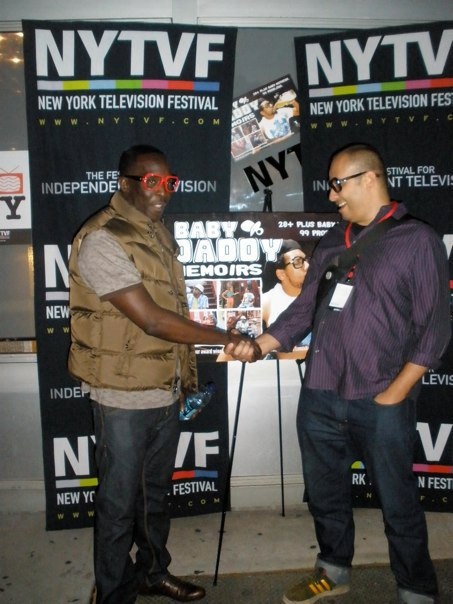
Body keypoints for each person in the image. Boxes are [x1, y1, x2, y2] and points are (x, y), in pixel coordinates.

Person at [229, 143, 451, 604]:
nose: (332, 196)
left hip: (380, 397)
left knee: (399, 503)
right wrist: (260, 346)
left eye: (338, 184)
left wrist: (396, 394)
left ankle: (416, 589)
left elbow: (435, 327)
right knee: (327, 495)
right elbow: (301, 312)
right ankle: (333, 571)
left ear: (369, 178)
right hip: (320, 395)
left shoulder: (417, 240)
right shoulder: (333, 242)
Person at [68, 144, 259, 604]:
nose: (164, 190)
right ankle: (114, 594)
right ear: (125, 184)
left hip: (161, 387)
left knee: (154, 495)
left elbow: (172, 313)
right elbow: (152, 319)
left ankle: (153, 572)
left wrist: (182, 378)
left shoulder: (155, 233)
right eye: (152, 181)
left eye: (170, 182)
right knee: (117, 505)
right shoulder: (102, 238)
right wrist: (222, 335)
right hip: (121, 395)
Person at [261, 240, 310, 328]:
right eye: (298, 262)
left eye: (307, 260)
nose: (307, 266)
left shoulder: (320, 296)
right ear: (281, 274)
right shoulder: (267, 302)